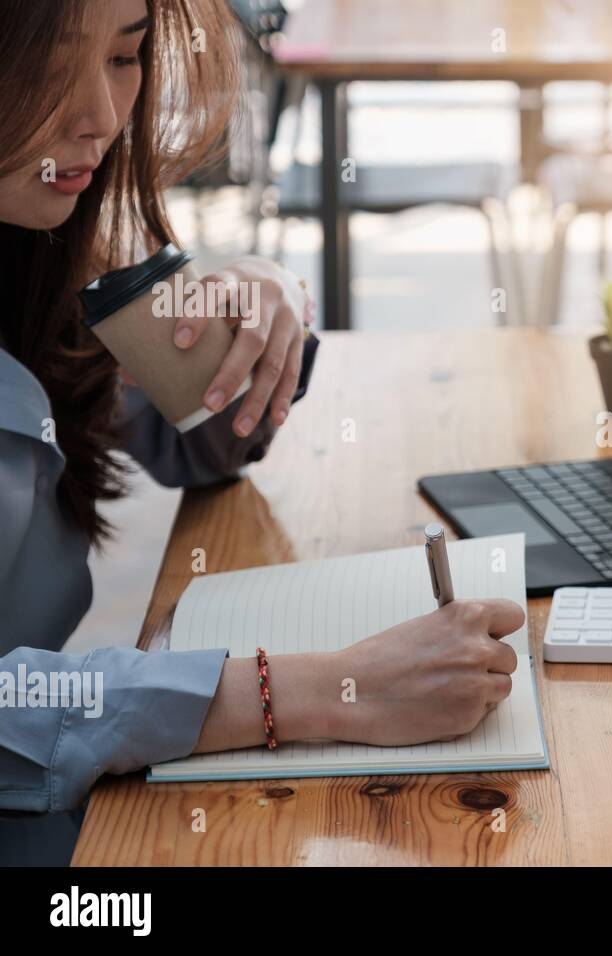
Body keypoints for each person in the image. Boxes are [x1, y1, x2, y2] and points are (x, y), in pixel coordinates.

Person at [0, 0, 521, 865]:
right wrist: (322, 691)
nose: (98, 116)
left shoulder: (39, 246)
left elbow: (186, 444)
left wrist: (255, 310)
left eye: (125, 59)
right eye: (52, 64)